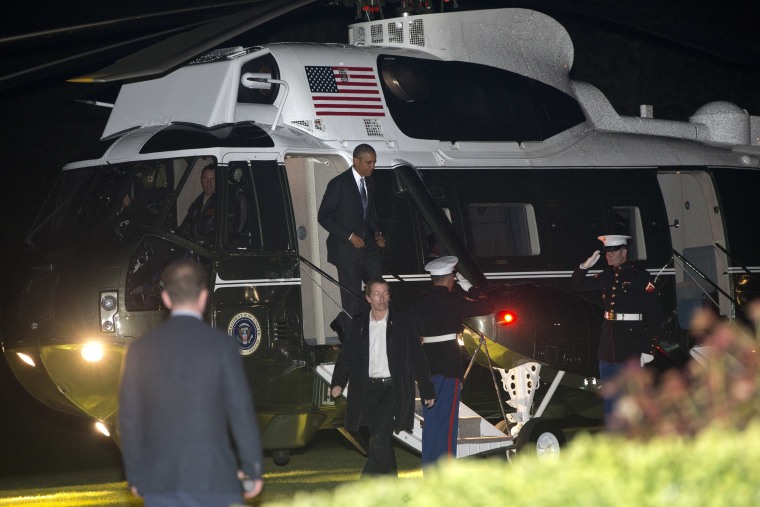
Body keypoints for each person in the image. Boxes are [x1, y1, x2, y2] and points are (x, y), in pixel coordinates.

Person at [119, 258, 263, 506]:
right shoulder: (222, 345)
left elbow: (130, 419)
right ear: (204, 297)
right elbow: (240, 410)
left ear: (165, 298)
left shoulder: (138, 350)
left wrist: (135, 475)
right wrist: (253, 466)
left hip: (159, 480)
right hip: (214, 477)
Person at [329, 279, 435, 476]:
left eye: (385, 293)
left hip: (391, 391)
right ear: (368, 297)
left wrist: (427, 388)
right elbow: (347, 357)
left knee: (378, 441)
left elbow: (417, 357)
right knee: (381, 440)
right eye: (376, 294)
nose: (381, 298)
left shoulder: (402, 322)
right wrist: (338, 382)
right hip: (368, 390)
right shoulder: (358, 323)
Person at [409, 256, 494, 467]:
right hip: (449, 365)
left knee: (431, 421)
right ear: (449, 279)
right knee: (447, 422)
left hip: (427, 364)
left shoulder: (419, 302)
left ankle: (430, 467)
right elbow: (487, 305)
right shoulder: (454, 299)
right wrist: (469, 288)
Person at [571, 234, 662, 427]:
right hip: (608, 348)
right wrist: (584, 267)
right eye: (606, 253)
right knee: (610, 401)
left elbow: (655, 314)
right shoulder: (607, 275)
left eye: (612, 252)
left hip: (630, 346)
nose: (608, 256)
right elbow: (577, 286)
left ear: (624, 251)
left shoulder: (639, 276)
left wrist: (649, 348)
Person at [318, 144, 386, 337]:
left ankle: (349, 323)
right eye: (369, 162)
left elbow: (368, 215)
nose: (373, 166)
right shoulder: (339, 184)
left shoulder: (370, 183)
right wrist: (348, 235)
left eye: (374, 162)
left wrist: (377, 233)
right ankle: (351, 338)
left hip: (368, 247)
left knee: (378, 288)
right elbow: (324, 216)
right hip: (346, 248)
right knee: (352, 296)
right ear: (356, 161)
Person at [178, 164, 217, 244]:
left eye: (213, 179)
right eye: (205, 179)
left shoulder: (226, 204)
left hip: (210, 251)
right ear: (201, 180)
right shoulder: (196, 203)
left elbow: (226, 233)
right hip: (194, 248)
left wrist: (202, 242)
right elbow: (185, 228)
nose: (209, 183)